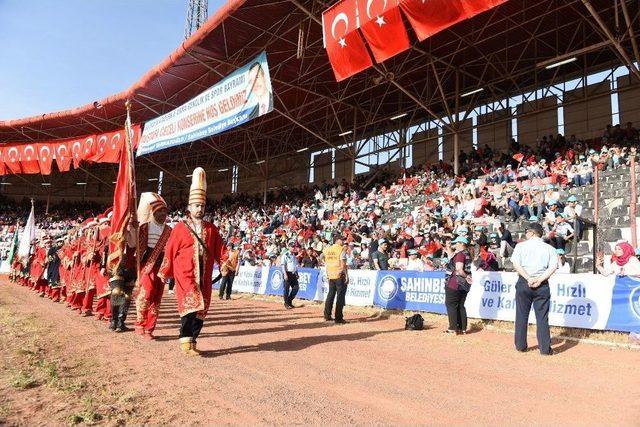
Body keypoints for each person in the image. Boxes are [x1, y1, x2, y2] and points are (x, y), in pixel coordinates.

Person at [159, 168, 225, 356]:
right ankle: (185, 342)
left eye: (202, 206)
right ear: (189, 207)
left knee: (201, 309)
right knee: (190, 306)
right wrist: (165, 272)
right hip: (185, 274)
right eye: (196, 206)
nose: (200, 209)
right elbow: (170, 250)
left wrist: (226, 261)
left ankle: (192, 341)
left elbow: (220, 249)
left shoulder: (211, 229)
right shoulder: (180, 228)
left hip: (203, 276)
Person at [510, 222, 558, 355]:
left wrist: (528, 278)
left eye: (527, 232)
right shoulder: (550, 248)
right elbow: (553, 267)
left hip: (524, 282)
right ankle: (544, 349)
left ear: (532, 233)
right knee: (542, 317)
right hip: (541, 284)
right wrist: (540, 279)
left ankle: (520, 346)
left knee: (521, 315)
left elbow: (516, 264)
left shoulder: (521, 246)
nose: (525, 234)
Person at [134, 193, 172, 340]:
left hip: (161, 266)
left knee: (157, 298)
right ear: (153, 212)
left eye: (165, 212)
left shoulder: (169, 230)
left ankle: (150, 329)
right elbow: (136, 245)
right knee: (147, 292)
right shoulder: (145, 227)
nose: (163, 214)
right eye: (159, 211)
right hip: (147, 265)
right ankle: (140, 322)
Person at [444, 236, 472, 334]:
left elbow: (459, 269)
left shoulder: (460, 254)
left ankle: (453, 328)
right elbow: (452, 256)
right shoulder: (467, 253)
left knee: (451, 304)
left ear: (461, 244)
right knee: (460, 305)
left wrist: (466, 276)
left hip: (455, 283)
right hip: (464, 285)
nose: (455, 245)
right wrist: (448, 247)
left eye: (456, 243)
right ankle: (462, 328)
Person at [322, 234, 348, 324]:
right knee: (340, 297)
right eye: (342, 240)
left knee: (330, 295)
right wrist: (346, 275)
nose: (343, 241)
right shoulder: (341, 250)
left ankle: (327, 315)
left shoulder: (328, 250)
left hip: (331, 274)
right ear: (337, 240)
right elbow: (343, 264)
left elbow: (323, 258)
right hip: (340, 275)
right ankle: (338, 318)